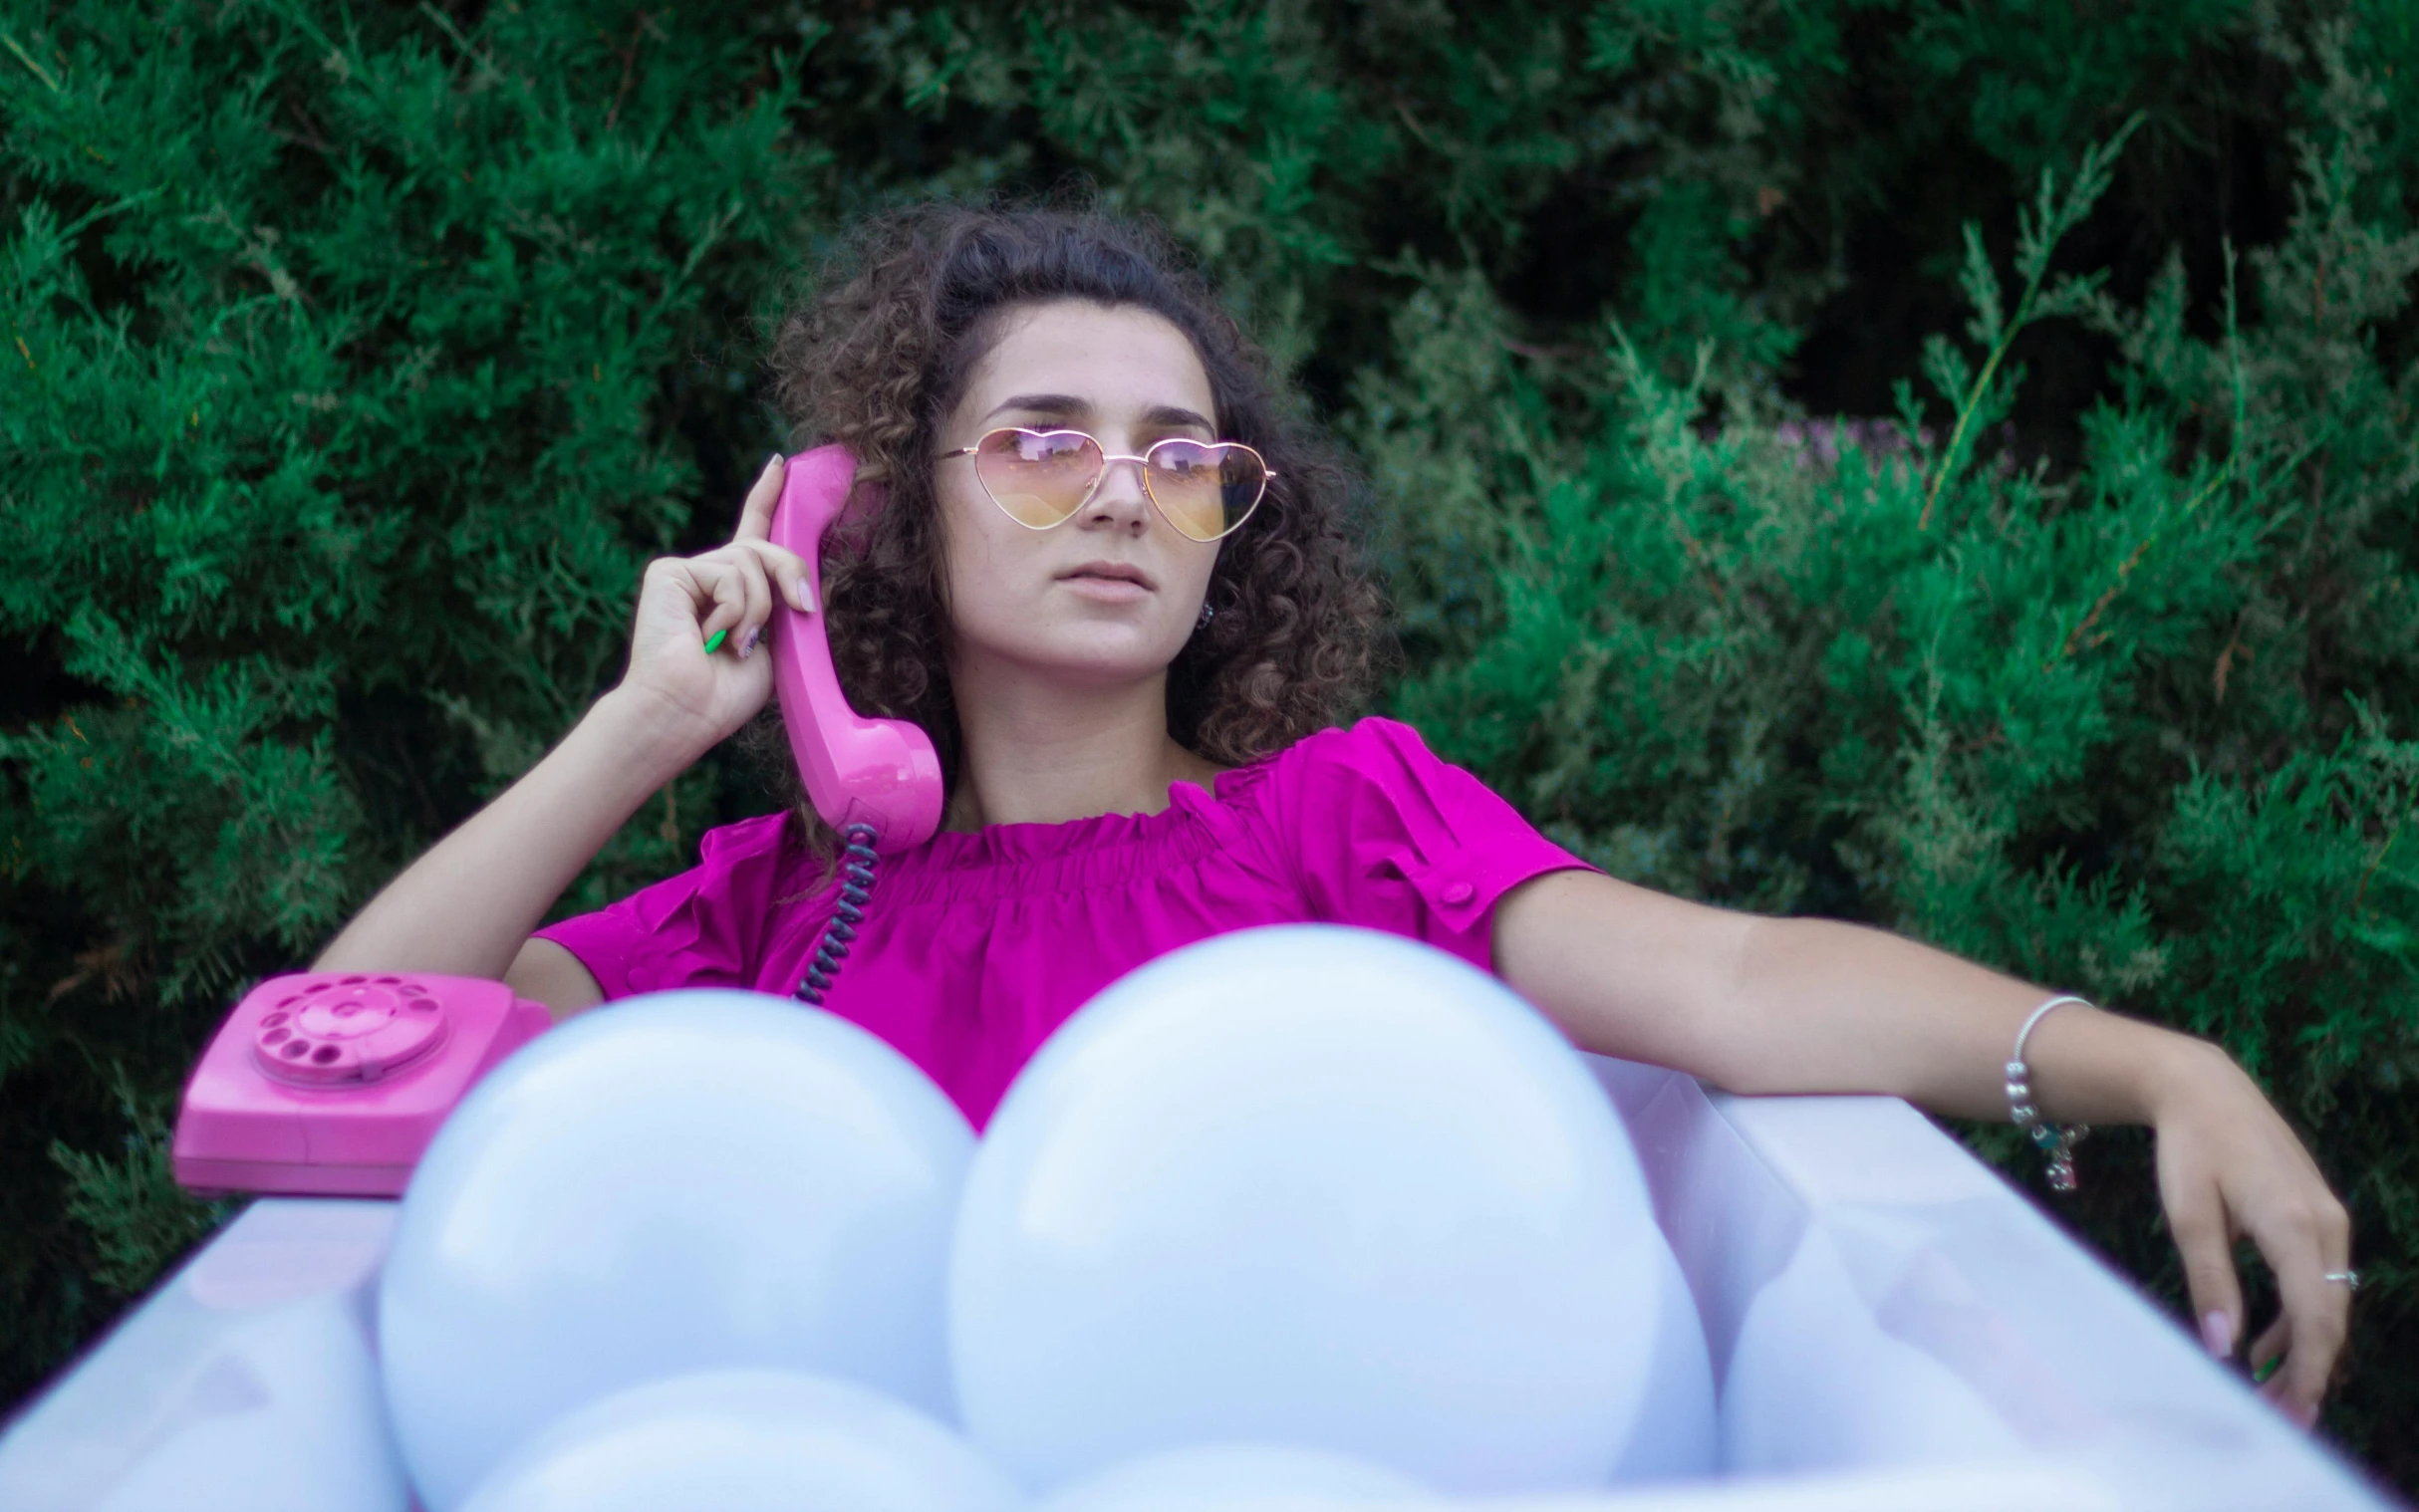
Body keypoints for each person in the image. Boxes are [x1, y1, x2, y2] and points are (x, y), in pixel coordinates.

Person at [315, 205, 2351, 1425]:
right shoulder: (783, 905)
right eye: (1038, 444)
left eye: (1179, 455)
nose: (1121, 493)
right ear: (876, 510)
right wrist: (642, 731)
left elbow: (1727, 982)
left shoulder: (1342, 819)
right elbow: (337, 1078)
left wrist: (2129, 1063)